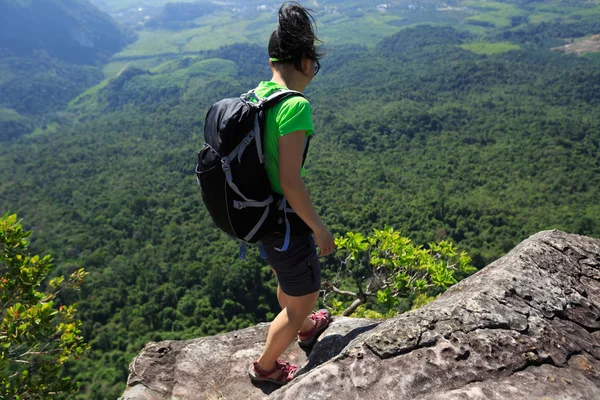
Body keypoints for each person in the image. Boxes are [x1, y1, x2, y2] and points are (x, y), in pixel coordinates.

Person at [247, 1, 335, 386]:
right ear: (304, 62)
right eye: (314, 62)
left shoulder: (259, 95)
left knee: (288, 280)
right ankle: (266, 367)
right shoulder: (295, 106)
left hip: (260, 216)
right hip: (285, 221)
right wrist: (318, 227)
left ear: (271, 62)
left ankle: (303, 323)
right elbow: (291, 181)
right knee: (304, 297)